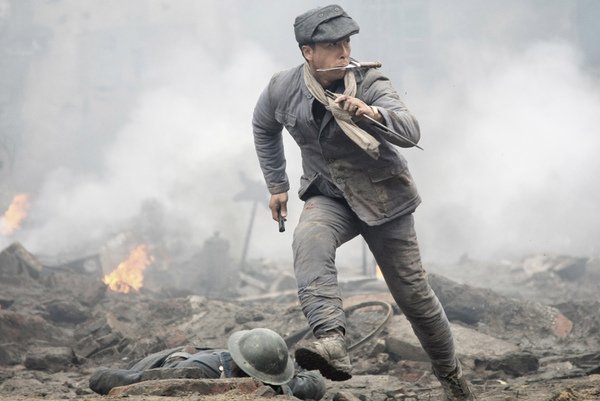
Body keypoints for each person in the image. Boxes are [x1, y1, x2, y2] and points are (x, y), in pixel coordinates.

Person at [251, 4, 475, 400]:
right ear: (308, 52)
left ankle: (452, 377)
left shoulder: (369, 81)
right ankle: (332, 341)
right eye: (332, 45)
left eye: (346, 43)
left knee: (414, 298)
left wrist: (371, 113)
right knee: (308, 241)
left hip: (384, 199)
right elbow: (263, 125)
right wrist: (277, 185)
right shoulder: (282, 88)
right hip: (328, 195)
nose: (343, 52)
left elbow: (410, 131)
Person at [89, 328, 326, 400]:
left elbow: (314, 384)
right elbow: (103, 379)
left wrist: (294, 366)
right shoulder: (194, 374)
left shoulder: (275, 380)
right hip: (164, 361)